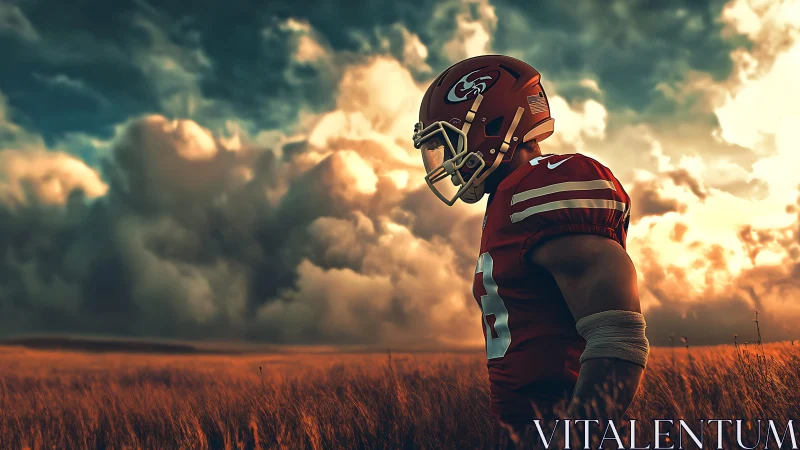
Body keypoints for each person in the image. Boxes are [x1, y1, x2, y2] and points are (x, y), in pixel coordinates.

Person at [412, 55, 649, 448]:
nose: (448, 163)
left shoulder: (544, 187)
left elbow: (616, 337)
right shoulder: (507, 198)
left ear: (494, 125)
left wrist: (579, 438)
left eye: (450, 142)